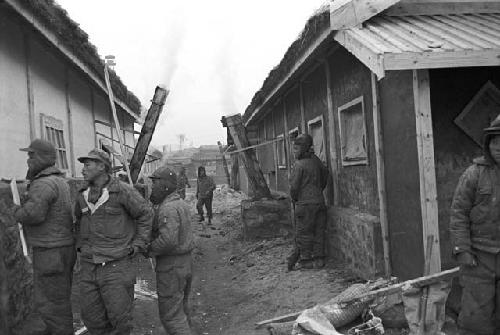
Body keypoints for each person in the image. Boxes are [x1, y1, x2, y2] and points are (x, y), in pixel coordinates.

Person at [0, 139, 76, 335]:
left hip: (50, 250)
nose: (28, 160)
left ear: (44, 158)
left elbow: (33, 214)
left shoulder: (43, 184)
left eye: (32, 155)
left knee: (50, 303)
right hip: (61, 248)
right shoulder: (59, 180)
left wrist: (15, 210)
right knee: (59, 299)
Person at [74, 149, 153, 335]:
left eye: (87, 165)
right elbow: (78, 221)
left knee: (120, 320)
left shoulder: (122, 191)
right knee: (92, 318)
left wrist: (138, 244)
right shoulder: (82, 194)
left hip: (116, 267)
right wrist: (80, 247)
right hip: (89, 266)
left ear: (102, 167)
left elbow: (145, 214)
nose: (83, 170)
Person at [450, 116, 500, 335]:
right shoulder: (474, 174)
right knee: (475, 318)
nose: (499, 146)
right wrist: (463, 250)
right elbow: (458, 214)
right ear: (487, 144)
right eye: (494, 140)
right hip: (479, 257)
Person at [148, 166, 194, 335]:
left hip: (171, 266)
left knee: (171, 317)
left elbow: (168, 241)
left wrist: (149, 248)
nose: (152, 187)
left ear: (165, 185)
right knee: (181, 309)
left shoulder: (168, 208)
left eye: (154, 183)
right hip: (185, 263)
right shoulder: (180, 203)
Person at [287, 134, 328, 271]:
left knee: (304, 232)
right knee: (319, 231)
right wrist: (318, 190)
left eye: (296, 148)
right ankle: (319, 259)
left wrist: (294, 198)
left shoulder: (299, 165)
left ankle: (305, 260)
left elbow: (294, 187)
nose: (294, 152)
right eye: (293, 148)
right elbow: (325, 175)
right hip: (319, 201)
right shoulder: (316, 161)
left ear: (304, 149)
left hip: (305, 204)